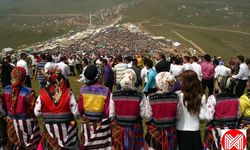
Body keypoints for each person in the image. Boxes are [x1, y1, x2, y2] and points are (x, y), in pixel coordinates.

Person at [34, 69, 80, 149]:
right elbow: (76, 113)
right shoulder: (68, 93)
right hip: (68, 133)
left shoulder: (42, 94)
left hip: (51, 131)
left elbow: (37, 113)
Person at [2, 66, 40, 149]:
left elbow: (3, 105)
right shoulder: (29, 91)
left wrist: (8, 115)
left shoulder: (6, 89)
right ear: (24, 78)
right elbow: (32, 109)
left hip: (10, 121)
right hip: (25, 122)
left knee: (13, 143)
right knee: (27, 145)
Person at [78, 65, 112, 149]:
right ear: (99, 76)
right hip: (101, 125)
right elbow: (108, 111)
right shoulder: (106, 91)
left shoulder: (83, 89)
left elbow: (80, 109)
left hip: (87, 124)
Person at [110, 69, 144, 150]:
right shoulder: (140, 95)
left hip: (119, 127)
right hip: (135, 127)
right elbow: (143, 113)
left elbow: (111, 114)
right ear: (134, 80)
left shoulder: (114, 95)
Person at [144, 72, 178, 150]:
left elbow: (148, 116)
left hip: (155, 131)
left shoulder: (151, 97)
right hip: (171, 131)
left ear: (159, 83)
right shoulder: (176, 96)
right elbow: (178, 114)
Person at [203, 77, 239, 150]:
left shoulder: (213, 98)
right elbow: (238, 115)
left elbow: (208, 117)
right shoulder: (236, 99)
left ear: (220, 85)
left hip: (217, 131)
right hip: (232, 130)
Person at [176, 70, 206, 150]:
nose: (180, 82)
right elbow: (203, 116)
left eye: (181, 80)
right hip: (194, 130)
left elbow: (177, 115)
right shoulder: (201, 97)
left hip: (180, 129)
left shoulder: (178, 96)